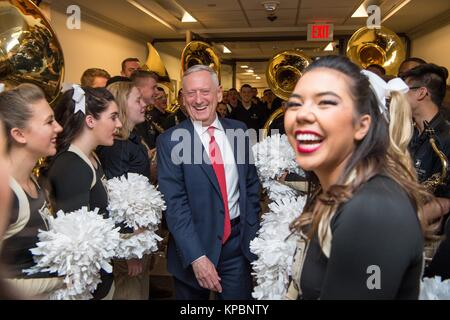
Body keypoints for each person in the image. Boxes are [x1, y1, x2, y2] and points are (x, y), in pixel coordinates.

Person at [284, 55, 430, 299]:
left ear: (362, 125)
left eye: (325, 103)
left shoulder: (374, 209)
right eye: (295, 104)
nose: (302, 115)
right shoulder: (341, 191)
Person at [157, 65, 261, 300]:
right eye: (190, 93)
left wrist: (251, 234)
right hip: (193, 248)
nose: (198, 99)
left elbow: (251, 187)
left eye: (205, 91)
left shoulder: (240, 131)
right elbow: (174, 205)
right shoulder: (170, 141)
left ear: (219, 93)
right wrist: (196, 257)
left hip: (237, 247)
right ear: (182, 98)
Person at [46, 86, 122, 300]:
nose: (119, 124)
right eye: (113, 117)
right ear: (90, 121)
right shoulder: (72, 165)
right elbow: (76, 246)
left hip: (103, 281)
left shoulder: (92, 157)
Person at [0, 84, 64, 299]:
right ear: (19, 134)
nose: (59, 128)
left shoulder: (36, 183)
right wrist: (64, 279)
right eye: (49, 122)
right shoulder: (6, 193)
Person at [96, 81, 152, 300]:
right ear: (121, 105)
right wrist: (131, 250)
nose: (144, 104)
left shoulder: (132, 139)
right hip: (128, 243)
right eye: (137, 100)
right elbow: (117, 199)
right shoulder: (118, 146)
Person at [402, 64, 450, 280]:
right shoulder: (411, 131)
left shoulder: (446, 138)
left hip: (430, 237)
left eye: (404, 91)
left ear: (421, 93)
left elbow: (448, 199)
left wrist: (410, 220)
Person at [131, 70, 159, 149]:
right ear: (139, 90)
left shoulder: (147, 115)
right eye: (153, 88)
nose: (157, 92)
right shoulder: (132, 117)